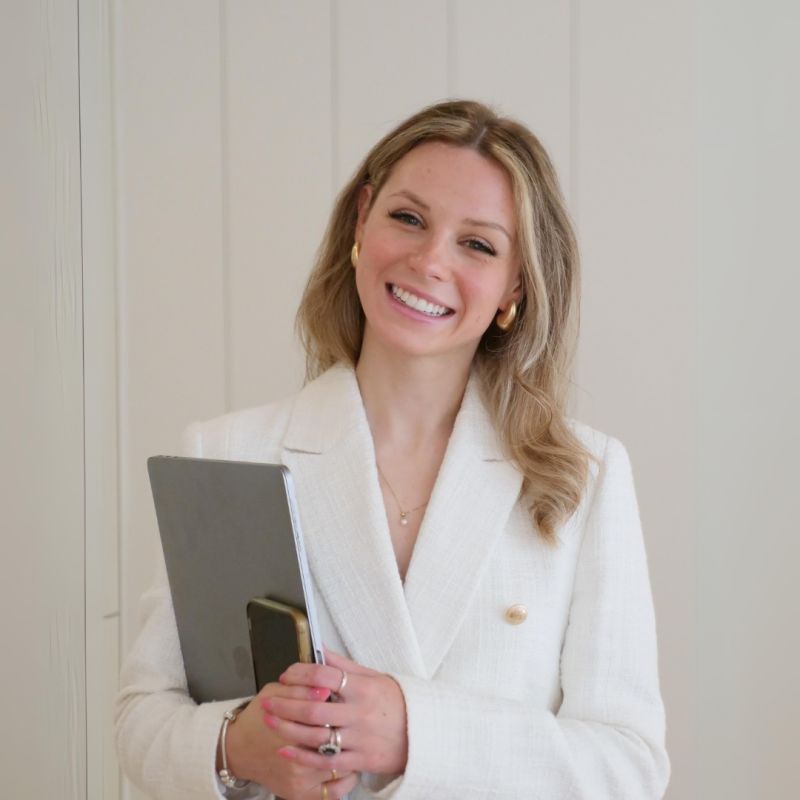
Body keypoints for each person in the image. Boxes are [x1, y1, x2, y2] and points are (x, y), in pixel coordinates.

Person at [114, 99, 670, 800]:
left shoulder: (584, 479)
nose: (429, 261)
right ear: (361, 221)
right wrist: (237, 747)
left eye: (478, 244)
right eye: (408, 218)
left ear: (516, 286)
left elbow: (630, 766)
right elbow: (142, 720)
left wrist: (416, 730)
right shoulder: (231, 453)